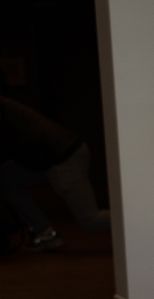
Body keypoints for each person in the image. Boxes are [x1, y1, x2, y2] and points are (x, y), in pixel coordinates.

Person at [0, 95, 110, 251]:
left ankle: (143, 223)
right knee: (6, 177)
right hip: (46, 160)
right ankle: (47, 234)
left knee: (91, 221)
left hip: (63, 158)